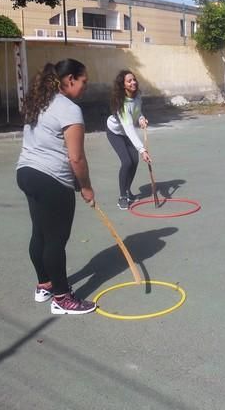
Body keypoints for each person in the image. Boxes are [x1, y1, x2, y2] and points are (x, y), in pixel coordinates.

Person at [16, 59, 96, 315]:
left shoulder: (40, 102)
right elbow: (76, 158)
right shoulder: (69, 109)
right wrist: (86, 187)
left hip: (27, 174)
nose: (85, 87)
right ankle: (62, 298)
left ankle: (45, 284)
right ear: (70, 79)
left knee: (39, 232)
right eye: (84, 81)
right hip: (50, 179)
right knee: (55, 240)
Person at [106, 70, 151, 209]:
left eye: (134, 79)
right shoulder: (122, 104)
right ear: (123, 85)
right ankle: (122, 196)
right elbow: (129, 128)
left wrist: (142, 119)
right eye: (129, 81)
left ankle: (127, 190)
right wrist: (142, 149)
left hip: (126, 133)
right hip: (115, 133)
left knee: (134, 161)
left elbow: (137, 112)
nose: (133, 82)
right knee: (126, 161)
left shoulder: (137, 96)